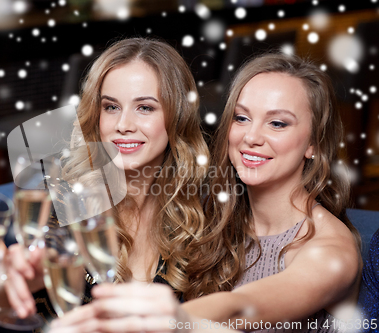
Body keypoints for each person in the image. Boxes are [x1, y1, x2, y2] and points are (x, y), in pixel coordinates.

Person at [48, 53, 362, 333]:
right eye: (241, 118)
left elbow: (240, 307)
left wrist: (167, 318)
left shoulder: (332, 251)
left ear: (314, 144)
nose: (251, 136)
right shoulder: (215, 219)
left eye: (277, 123)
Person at [2, 37, 211, 325]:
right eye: (111, 107)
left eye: (145, 108)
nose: (123, 125)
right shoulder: (59, 202)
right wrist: (2, 285)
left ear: (177, 116)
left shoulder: (203, 209)